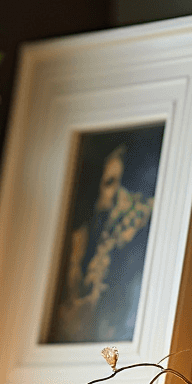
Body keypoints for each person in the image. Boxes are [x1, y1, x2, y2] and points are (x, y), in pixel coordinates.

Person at [53, 144, 155, 343]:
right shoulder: (78, 245)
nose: (118, 193)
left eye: (124, 183)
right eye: (110, 182)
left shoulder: (134, 244)